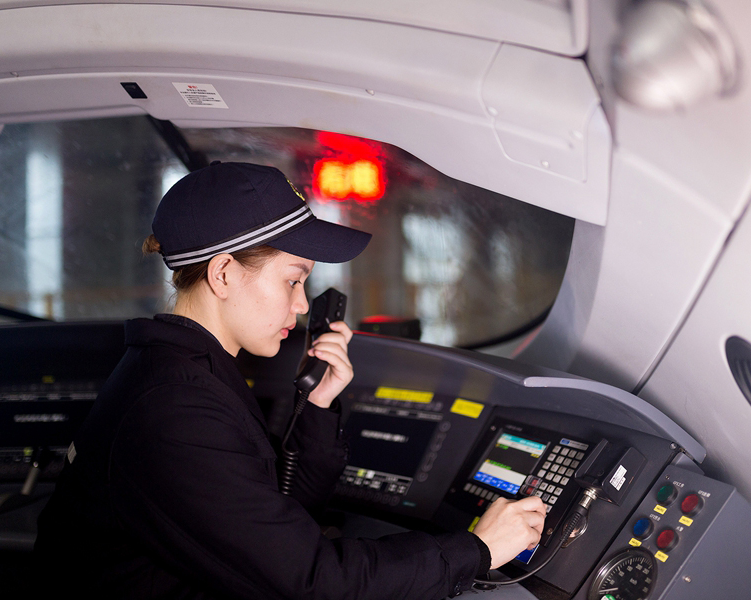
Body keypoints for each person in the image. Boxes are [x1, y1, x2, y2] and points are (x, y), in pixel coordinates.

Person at [34, 162, 546, 599]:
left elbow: (270, 525)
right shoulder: (175, 407)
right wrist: (477, 549)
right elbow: (311, 582)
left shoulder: (183, 371)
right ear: (224, 274)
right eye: (294, 280)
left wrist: (317, 407)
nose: (302, 304)